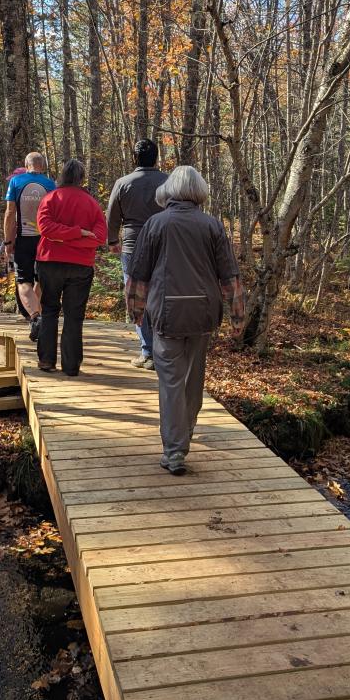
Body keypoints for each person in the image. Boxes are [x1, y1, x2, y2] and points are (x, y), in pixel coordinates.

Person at [127, 166, 245, 475]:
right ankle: (184, 436)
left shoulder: (156, 223)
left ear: (170, 191)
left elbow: (139, 273)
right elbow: (229, 274)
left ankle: (176, 451)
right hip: (203, 314)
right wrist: (237, 316)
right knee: (193, 381)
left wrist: (136, 311)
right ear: (199, 191)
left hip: (167, 313)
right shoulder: (212, 225)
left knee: (170, 382)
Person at [34, 159, 107, 376]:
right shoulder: (91, 203)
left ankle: (47, 360)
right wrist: (79, 234)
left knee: (49, 311)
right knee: (74, 315)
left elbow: (48, 229)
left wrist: (63, 238)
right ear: (81, 178)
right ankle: (71, 365)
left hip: (50, 261)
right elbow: (46, 228)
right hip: (80, 266)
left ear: (62, 175)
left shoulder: (51, 198)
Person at [107, 139, 168, 370]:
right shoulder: (168, 181)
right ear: (156, 158)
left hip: (132, 247)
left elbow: (112, 215)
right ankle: (162, 350)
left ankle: (148, 352)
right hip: (163, 245)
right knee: (160, 296)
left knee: (136, 297)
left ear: (134, 158)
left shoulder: (123, 183)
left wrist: (113, 240)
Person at [4, 152, 55, 339]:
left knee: (23, 280)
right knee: (40, 279)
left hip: (23, 237)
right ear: (43, 165)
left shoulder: (16, 182)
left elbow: (10, 213)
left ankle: (35, 317)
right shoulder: (51, 184)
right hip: (45, 239)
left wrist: (8, 241)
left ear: (27, 164)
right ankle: (37, 318)